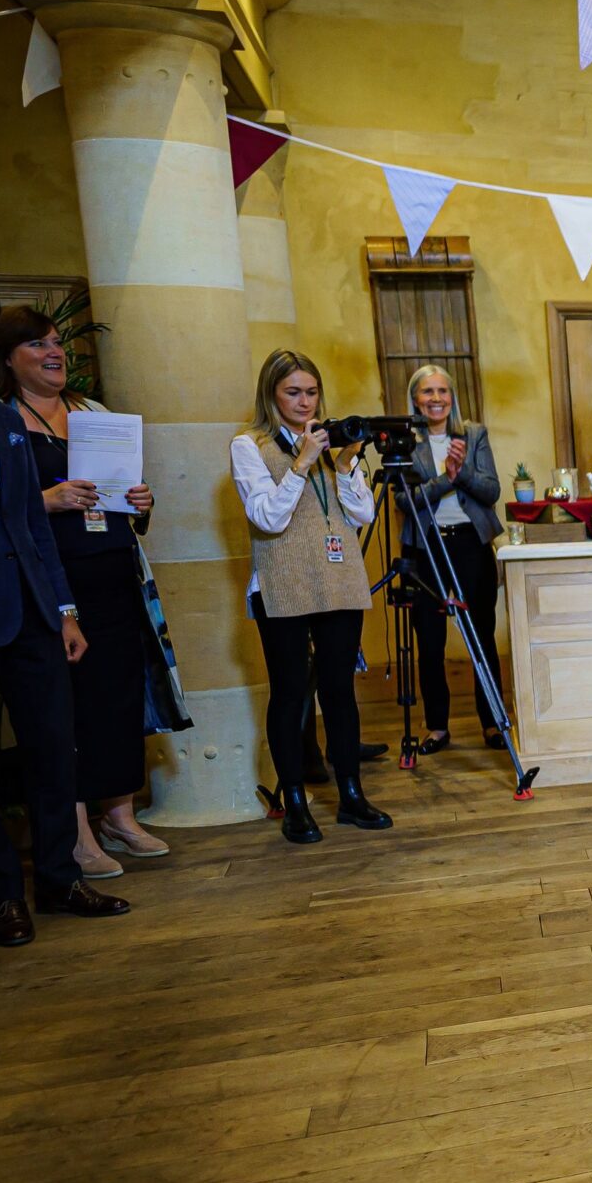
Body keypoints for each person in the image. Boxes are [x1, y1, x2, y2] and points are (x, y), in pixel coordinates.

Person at [0, 284, 128, 946]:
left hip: (33, 616)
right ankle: (1, 896)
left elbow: (30, 524)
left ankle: (57, 879)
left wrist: (65, 610)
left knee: (55, 752)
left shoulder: (0, 421)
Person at [0, 308, 189, 878]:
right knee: (66, 707)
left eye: (57, 343)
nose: (55, 352)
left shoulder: (92, 412)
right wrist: (48, 501)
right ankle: (75, 832)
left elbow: (120, 494)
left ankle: (119, 817)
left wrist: (140, 501)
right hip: (53, 581)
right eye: (37, 344)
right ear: (7, 358)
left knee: (119, 698)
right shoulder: (0, 420)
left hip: (115, 570)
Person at [233, 349, 390, 844]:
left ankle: (351, 796)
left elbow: (363, 516)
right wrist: (301, 465)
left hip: (339, 579)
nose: (305, 402)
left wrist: (344, 467)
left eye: (312, 391)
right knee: (289, 692)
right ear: (271, 395)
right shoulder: (249, 444)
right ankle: (296, 802)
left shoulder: (332, 441)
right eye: (293, 392)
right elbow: (267, 518)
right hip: (282, 583)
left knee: (340, 692)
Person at [400, 366, 505, 756]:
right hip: (426, 548)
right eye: (427, 391)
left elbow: (491, 491)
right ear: (415, 399)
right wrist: (446, 477)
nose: (436, 398)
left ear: (452, 396)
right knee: (429, 641)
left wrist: (461, 476)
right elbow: (403, 501)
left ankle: (493, 721)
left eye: (443, 390)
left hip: (470, 545)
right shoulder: (405, 442)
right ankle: (438, 727)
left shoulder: (473, 434)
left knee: (481, 637)